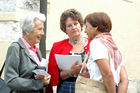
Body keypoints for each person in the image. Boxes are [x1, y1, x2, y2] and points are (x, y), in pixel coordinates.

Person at [45, 9, 90, 93]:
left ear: (81, 25)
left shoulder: (93, 44)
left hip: (87, 87)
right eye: (69, 25)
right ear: (65, 29)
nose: (73, 27)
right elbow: (53, 75)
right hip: (65, 88)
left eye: (76, 24)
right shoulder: (57, 47)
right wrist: (70, 72)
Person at [4, 12, 51, 93]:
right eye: (39, 29)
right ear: (27, 31)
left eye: (42, 29)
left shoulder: (37, 50)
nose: (43, 33)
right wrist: (38, 83)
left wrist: (43, 79)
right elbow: (10, 80)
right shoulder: (15, 48)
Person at [83, 12, 129, 93]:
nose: (85, 31)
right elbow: (124, 79)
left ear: (96, 28)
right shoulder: (113, 47)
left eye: (86, 26)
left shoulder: (96, 43)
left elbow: (107, 74)